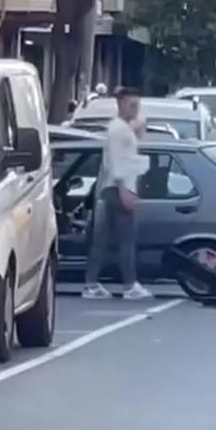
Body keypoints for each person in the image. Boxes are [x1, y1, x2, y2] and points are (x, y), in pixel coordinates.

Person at [83, 87, 152, 301]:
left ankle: (91, 284)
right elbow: (117, 162)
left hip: (112, 188)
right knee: (126, 239)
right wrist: (124, 189)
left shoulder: (122, 128)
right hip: (118, 188)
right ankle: (129, 285)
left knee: (103, 240)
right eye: (132, 105)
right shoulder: (118, 130)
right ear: (120, 104)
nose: (136, 109)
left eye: (137, 105)